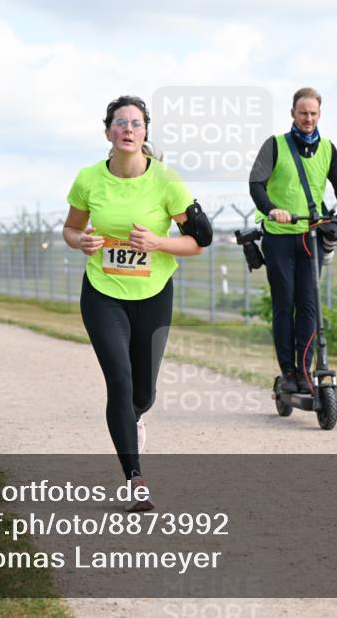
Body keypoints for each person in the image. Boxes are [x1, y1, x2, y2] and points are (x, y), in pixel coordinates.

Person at [62, 95, 208, 512]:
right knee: (120, 383)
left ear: (146, 132)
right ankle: (135, 478)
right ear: (107, 130)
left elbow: (198, 242)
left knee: (143, 392)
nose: (128, 128)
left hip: (154, 294)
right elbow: (71, 230)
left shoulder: (167, 181)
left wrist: (157, 242)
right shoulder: (89, 178)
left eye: (136, 123)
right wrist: (82, 241)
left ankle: (136, 417)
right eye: (120, 122)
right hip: (103, 293)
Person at [248, 87, 337, 395]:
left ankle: (306, 371)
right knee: (285, 304)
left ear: (319, 115)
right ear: (293, 114)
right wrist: (272, 209)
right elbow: (256, 184)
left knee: (309, 306)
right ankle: (288, 372)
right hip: (279, 237)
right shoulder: (275, 146)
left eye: (313, 113)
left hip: (311, 234)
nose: (308, 118)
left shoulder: (327, 148)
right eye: (303, 113)